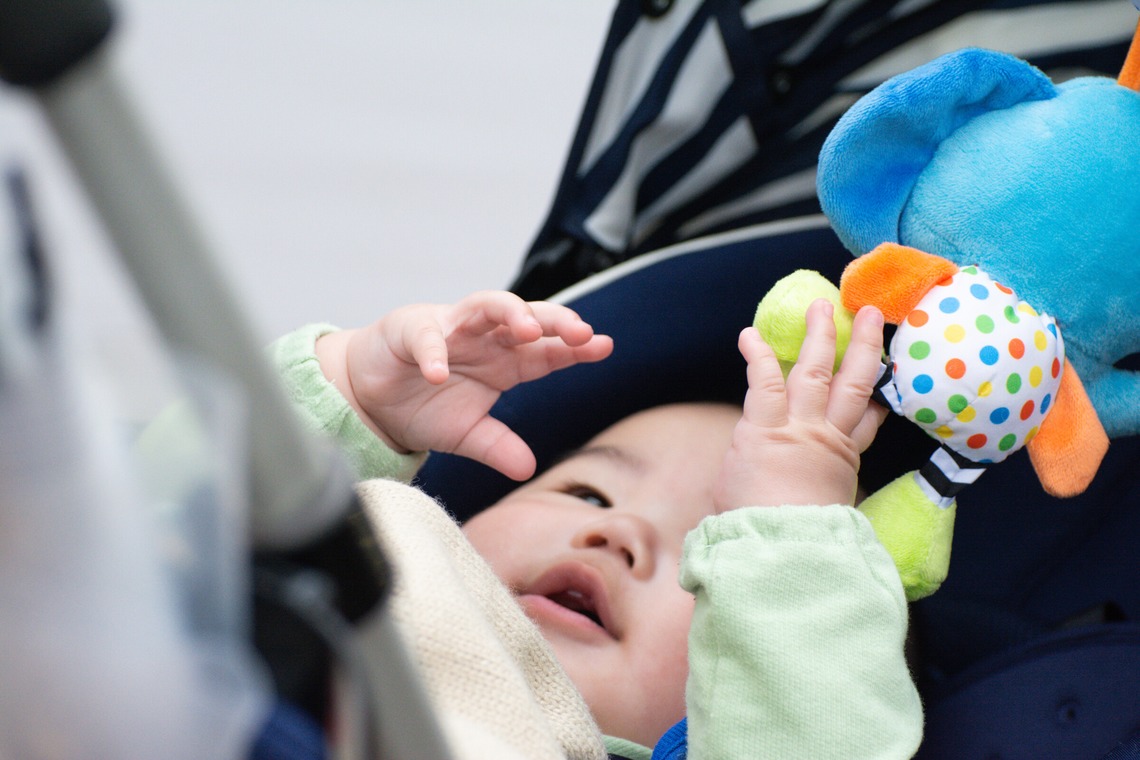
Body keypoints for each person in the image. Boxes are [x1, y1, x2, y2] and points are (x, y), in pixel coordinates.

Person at [272, 288, 922, 758]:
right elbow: (183, 543)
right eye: (587, 494)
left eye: (706, 554)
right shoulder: (357, 576)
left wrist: (796, 547)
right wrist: (355, 402)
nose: (617, 535)